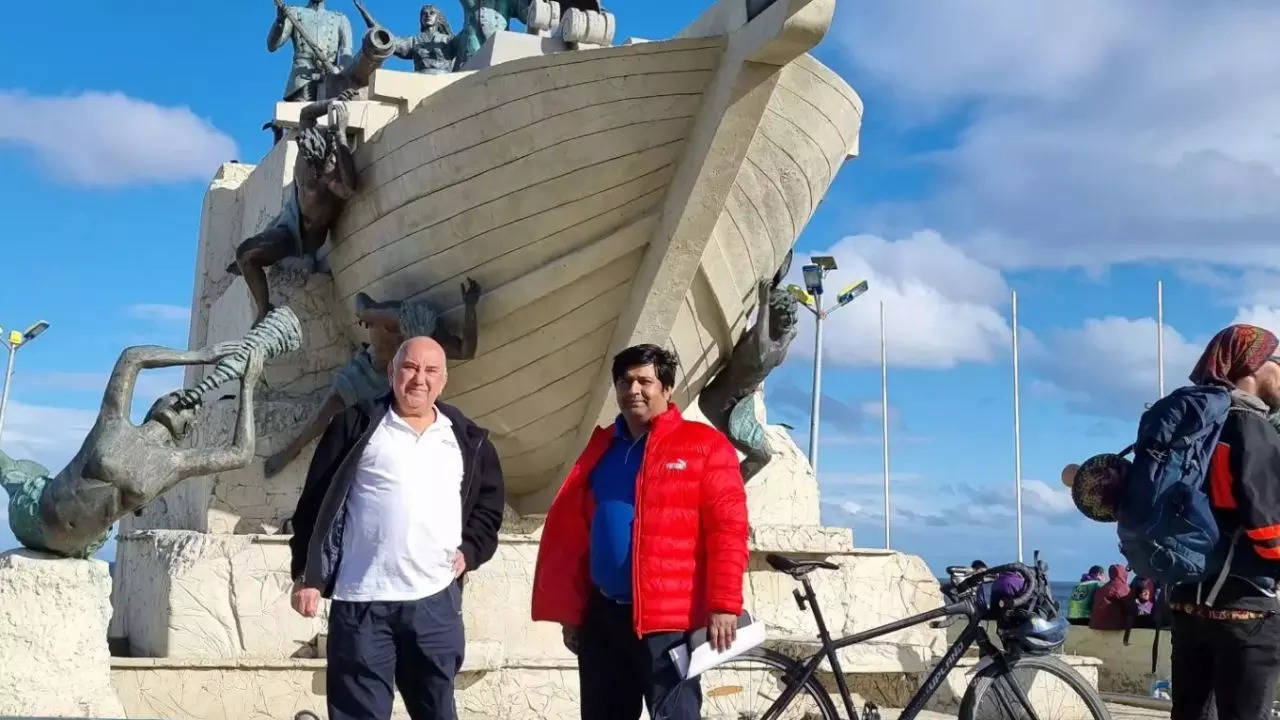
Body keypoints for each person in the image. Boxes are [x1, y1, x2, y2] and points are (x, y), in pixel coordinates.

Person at [288, 336, 505, 720]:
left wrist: (470, 551)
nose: (419, 379)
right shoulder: (354, 425)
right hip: (361, 600)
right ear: (392, 372)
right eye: (410, 367)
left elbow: (488, 507)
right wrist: (307, 575)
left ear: (443, 380)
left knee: (437, 711)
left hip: (434, 601)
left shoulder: (467, 438)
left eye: (430, 370)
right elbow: (315, 502)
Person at [530, 344, 750, 720]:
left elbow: (728, 530)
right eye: (624, 381)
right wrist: (572, 612)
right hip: (603, 619)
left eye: (644, 381)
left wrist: (723, 605)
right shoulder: (601, 448)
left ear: (666, 389)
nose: (633, 389)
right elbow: (576, 535)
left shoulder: (705, 446)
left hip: (670, 624)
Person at [1168, 324, 1280, 720]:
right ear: (1254, 365)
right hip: (1243, 610)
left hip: (1185, 603)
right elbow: (1265, 526)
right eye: (1278, 362)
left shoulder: (1188, 423)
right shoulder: (1251, 426)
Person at [264, 283, 480, 477]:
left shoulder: (430, 334)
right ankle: (293, 449)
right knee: (329, 409)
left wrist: (470, 307)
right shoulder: (387, 314)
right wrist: (364, 315)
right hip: (363, 372)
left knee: (378, 437)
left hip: (391, 385)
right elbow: (361, 301)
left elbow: (465, 351)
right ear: (399, 326)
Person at [267, 0, 354, 101]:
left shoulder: (340, 19)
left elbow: (346, 53)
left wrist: (340, 72)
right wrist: (280, 21)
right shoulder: (293, 13)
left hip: (330, 80)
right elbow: (273, 45)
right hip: (301, 82)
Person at [1088, 564, 1131, 631]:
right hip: (1112, 625)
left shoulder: (1102, 588)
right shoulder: (1123, 588)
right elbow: (1130, 605)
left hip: (1095, 624)